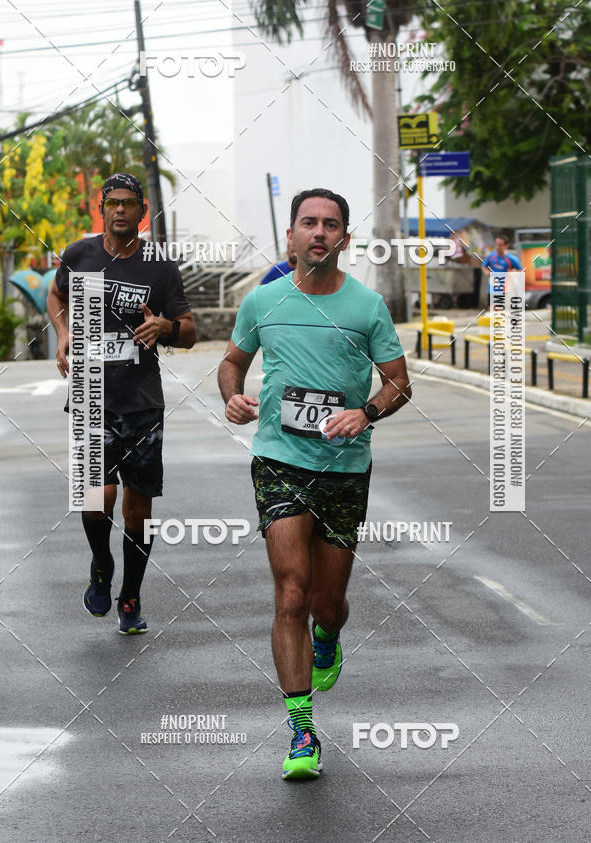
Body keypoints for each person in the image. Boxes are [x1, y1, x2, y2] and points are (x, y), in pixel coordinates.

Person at [217, 188, 411, 780]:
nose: (319, 232)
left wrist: (367, 412)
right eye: (308, 223)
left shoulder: (367, 307)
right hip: (278, 458)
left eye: (330, 224)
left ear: (345, 239)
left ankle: (328, 637)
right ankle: (302, 731)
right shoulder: (263, 302)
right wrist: (233, 397)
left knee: (326, 603)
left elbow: (399, 382)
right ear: (291, 236)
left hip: (345, 467)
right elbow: (231, 363)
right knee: (291, 592)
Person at [47, 172, 196, 634]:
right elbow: (56, 294)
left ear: (141, 212)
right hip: (92, 394)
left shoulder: (159, 267)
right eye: (112, 202)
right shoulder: (80, 255)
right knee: (96, 500)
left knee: (138, 510)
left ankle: (130, 596)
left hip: (142, 402)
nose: (120, 211)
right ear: (102, 207)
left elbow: (189, 330)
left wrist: (165, 329)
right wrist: (65, 330)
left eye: (129, 203)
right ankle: (100, 564)